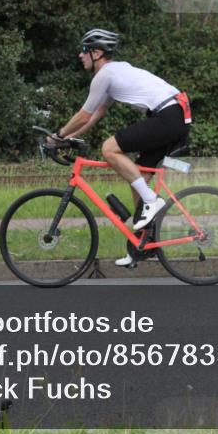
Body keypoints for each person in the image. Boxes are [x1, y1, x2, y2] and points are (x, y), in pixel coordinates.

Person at [49, 28, 191, 266]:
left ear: (96, 53)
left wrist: (57, 136)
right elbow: (94, 116)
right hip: (175, 115)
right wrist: (66, 139)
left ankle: (152, 203)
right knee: (139, 178)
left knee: (109, 148)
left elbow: (83, 115)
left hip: (169, 116)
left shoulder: (104, 75)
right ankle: (143, 246)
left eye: (83, 51)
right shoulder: (115, 73)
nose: (80, 56)